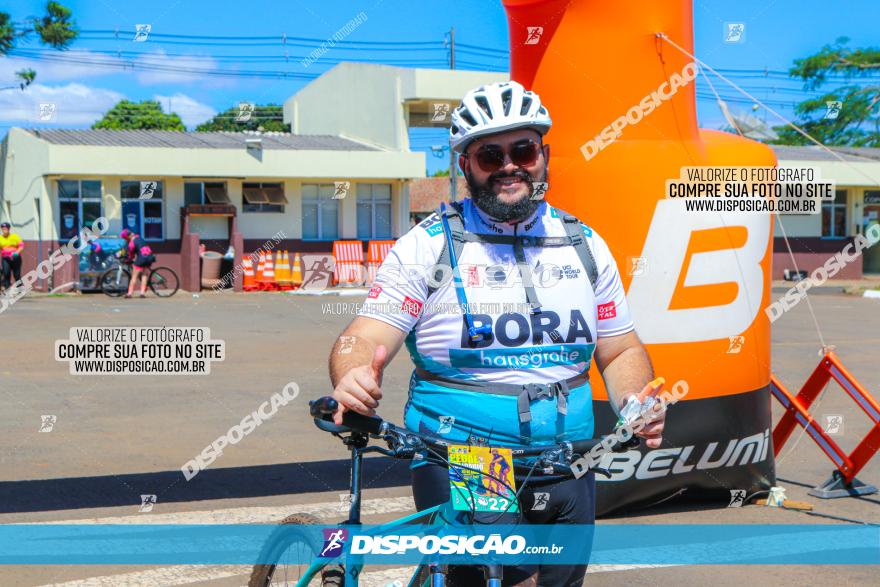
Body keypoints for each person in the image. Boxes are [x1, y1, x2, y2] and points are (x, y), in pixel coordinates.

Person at [328, 81, 664, 587]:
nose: (510, 165)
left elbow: (620, 348)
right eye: (490, 154)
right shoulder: (428, 247)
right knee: (510, 581)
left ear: (543, 156)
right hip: (466, 454)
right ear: (466, 165)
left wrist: (635, 402)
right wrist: (352, 374)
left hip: (567, 456)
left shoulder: (584, 244)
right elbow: (363, 334)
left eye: (523, 149)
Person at [119, 228, 155, 298]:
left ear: (127, 237)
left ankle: (129, 294)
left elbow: (131, 254)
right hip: (149, 257)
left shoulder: (132, 242)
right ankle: (142, 293)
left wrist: (128, 259)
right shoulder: (140, 238)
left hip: (141, 259)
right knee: (144, 275)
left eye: (125, 238)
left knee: (134, 277)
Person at [0, 222, 24, 292]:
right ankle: (7, 290)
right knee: (6, 274)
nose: (4, 230)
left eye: (6, 229)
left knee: (16, 275)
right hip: (5, 259)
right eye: (3, 229)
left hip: (15, 258)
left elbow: (21, 246)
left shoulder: (14, 236)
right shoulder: (0, 238)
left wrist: (17, 252)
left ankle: (20, 289)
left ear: (9, 229)